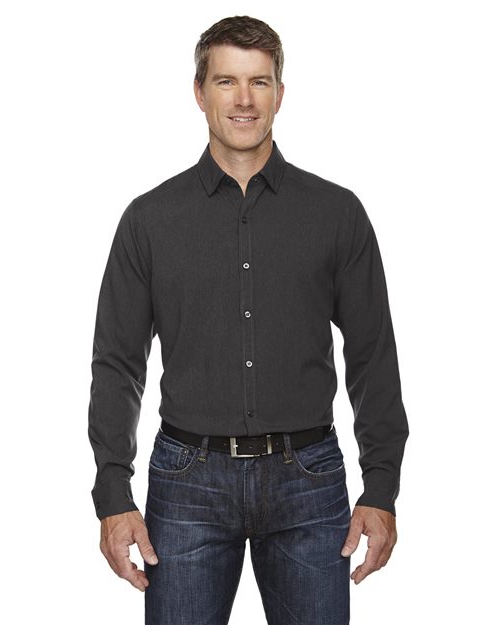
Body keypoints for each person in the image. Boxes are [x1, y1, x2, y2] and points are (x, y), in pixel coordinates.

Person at [88, 14, 409, 625]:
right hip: (187, 482)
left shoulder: (337, 213)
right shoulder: (149, 220)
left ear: (280, 94)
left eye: (259, 82)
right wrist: (112, 494)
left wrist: (382, 487)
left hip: (309, 480)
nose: (243, 99)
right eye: (226, 81)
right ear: (199, 92)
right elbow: (118, 365)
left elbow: (373, 355)